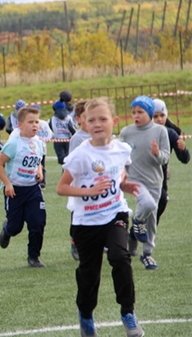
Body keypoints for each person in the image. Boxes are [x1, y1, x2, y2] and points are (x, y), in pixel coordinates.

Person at [56, 97, 145, 337]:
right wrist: (89, 191)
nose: (97, 124)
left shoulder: (122, 149)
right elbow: (61, 187)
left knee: (120, 256)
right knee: (89, 275)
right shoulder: (80, 155)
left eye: (103, 119)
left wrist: (125, 186)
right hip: (85, 223)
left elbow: (118, 175)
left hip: (114, 213)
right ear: (83, 123)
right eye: (91, 120)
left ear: (114, 121)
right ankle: (85, 315)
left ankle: (128, 313)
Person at [120, 96, 170, 270]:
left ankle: (147, 254)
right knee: (146, 205)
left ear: (149, 113)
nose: (136, 115)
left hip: (155, 182)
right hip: (135, 180)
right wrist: (122, 174)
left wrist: (157, 153)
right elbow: (119, 155)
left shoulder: (160, 131)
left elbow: (165, 158)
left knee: (152, 221)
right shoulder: (126, 132)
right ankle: (137, 221)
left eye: (140, 112)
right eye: (133, 112)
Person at [0, 106, 47, 267]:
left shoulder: (38, 143)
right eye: (31, 122)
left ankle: (33, 257)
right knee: (16, 227)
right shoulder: (13, 144)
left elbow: (37, 161)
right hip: (14, 190)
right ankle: (7, 230)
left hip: (32, 189)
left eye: (37, 122)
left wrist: (39, 171)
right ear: (20, 124)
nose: (35, 125)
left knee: (38, 222)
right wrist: (7, 184)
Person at [152, 98, 189, 225]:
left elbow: (185, 159)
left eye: (162, 115)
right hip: (144, 176)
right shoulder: (142, 133)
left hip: (160, 178)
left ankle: (137, 234)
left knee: (161, 202)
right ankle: (140, 227)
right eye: (155, 116)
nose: (159, 119)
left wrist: (183, 149)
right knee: (157, 200)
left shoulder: (171, 133)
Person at [67, 101, 89, 261]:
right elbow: (71, 163)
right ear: (78, 119)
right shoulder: (77, 139)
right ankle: (75, 242)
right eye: (86, 116)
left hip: (97, 183)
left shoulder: (102, 135)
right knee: (78, 214)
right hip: (80, 184)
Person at [49, 100, 76, 165]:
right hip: (68, 139)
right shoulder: (68, 118)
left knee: (62, 159)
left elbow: (50, 127)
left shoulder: (52, 118)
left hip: (58, 140)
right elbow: (72, 128)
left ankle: (64, 171)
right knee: (69, 157)